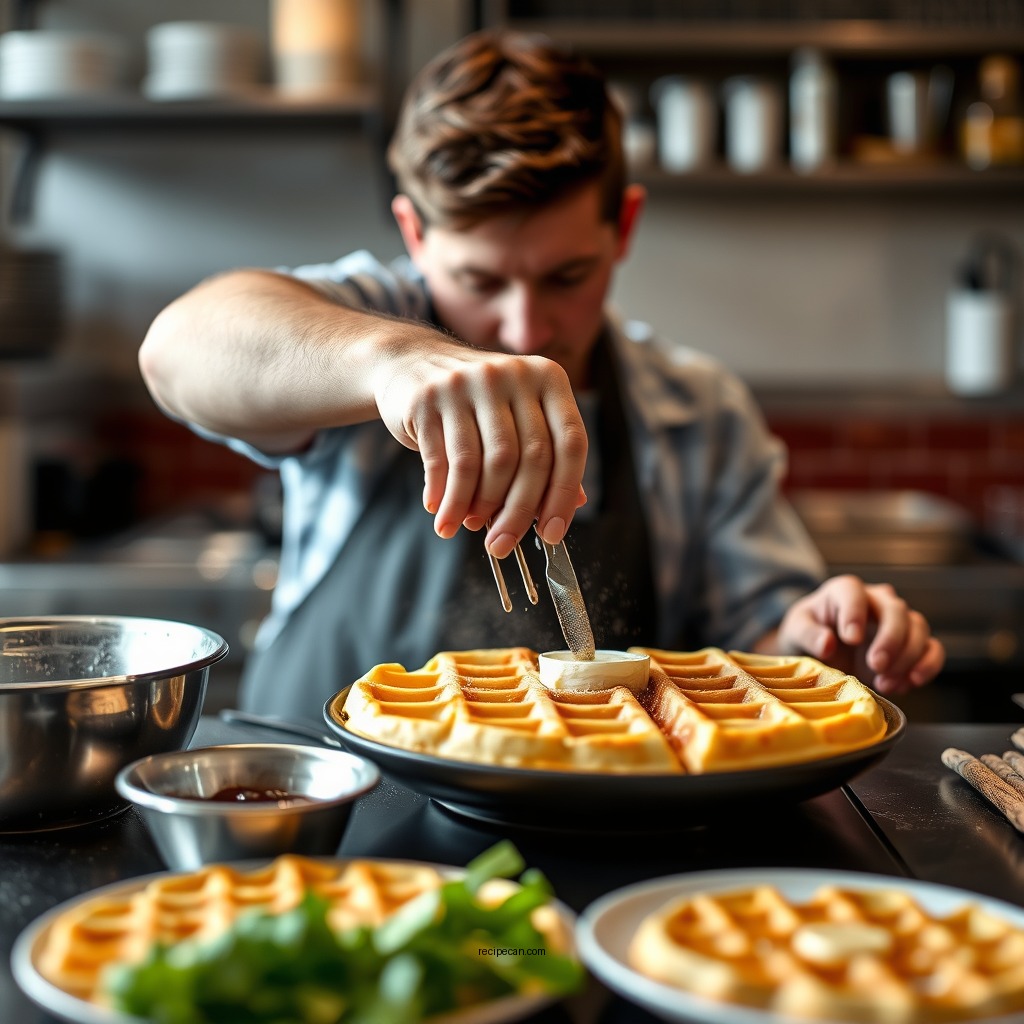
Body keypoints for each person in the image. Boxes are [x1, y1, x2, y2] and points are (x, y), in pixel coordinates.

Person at [139, 28, 944, 726]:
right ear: (415, 235)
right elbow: (176, 349)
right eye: (481, 283)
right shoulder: (363, 321)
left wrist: (815, 637)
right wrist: (393, 362)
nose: (525, 331)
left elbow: (761, 641)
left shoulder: (697, 412)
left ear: (622, 226)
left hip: (600, 829)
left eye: (567, 276)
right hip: (334, 817)